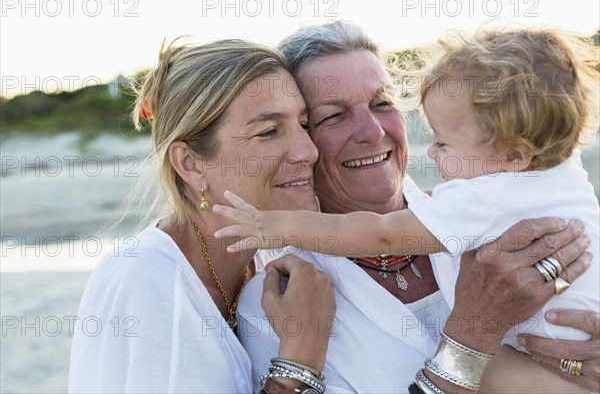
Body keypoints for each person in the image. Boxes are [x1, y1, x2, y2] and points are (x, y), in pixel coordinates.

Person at [215, 27, 600, 392]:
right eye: (333, 115)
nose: (372, 131)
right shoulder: (278, 301)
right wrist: (472, 336)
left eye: (382, 103)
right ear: (301, 138)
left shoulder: (472, 209)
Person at [68, 39, 336, 393]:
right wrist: (300, 358)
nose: (309, 150)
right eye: (269, 132)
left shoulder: (268, 259)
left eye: (304, 124)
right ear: (190, 164)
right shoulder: (144, 281)